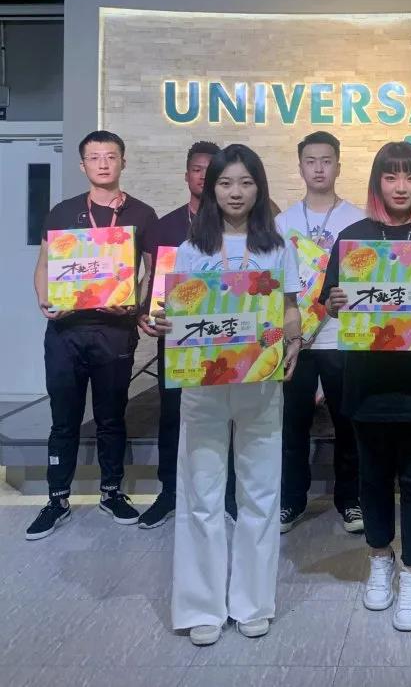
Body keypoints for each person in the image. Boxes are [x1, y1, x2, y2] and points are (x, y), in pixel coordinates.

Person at [151, 144, 302, 646]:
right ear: (210, 188)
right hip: (204, 386)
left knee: (260, 492)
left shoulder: (277, 247)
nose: (236, 193)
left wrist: (293, 340)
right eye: (225, 183)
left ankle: (253, 602)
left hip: (260, 383)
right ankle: (202, 606)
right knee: (201, 494)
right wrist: (166, 323)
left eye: (246, 182)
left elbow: (289, 309)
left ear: (259, 188)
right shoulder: (190, 250)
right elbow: (173, 313)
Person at [319, 141, 411, 632]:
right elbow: (330, 301)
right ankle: (379, 560)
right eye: (391, 177)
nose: (400, 187)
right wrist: (335, 302)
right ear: (377, 182)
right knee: (373, 477)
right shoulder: (354, 238)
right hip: (367, 381)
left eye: (410, 177)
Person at [26, 130, 157, 540]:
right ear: (82, 165)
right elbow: (45, 263)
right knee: (63, 419)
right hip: (65, 332)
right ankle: (57, 499)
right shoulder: (62, 212)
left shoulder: (142, 213)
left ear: (123, 162)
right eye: (95, 157)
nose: (103, 163)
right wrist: (44, 299)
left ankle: (111, 492)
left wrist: (135, 305)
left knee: (110, 417)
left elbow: (151, 271)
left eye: (111, 156)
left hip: (114, 332)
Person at [275, 131, 366, 535]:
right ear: (300, 167)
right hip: (295, 340)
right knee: (292, 424)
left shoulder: (358, 220)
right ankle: (292, 500)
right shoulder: (282, 223)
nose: (318, 168)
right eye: (310, 161)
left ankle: (350, 501)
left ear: (338, 167)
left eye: (326, 161)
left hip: (341, 337)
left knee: (349, 424)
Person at [136, 140, 220, 529]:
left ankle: (226, 495)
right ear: (186, 175)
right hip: (174, 339)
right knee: (172, 416)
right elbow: (151, 280)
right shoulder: (164, 226)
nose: (203, 176)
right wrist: (144, 312)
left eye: (210, 169)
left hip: (222, 340)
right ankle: (169, 492)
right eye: (196, 169)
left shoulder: (235, 225)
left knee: (223, 418)